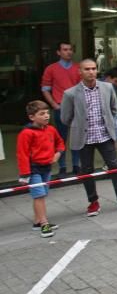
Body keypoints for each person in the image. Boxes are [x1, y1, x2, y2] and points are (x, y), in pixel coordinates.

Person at [61, 59, 117, 216]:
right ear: (80, 72)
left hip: (104, 135)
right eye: (87, 69)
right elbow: (65, 118)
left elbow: (113, 109)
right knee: (86, 170)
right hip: (84, 137)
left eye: (94, 68)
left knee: (114, 167)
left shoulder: (107, 88)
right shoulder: (71, 93)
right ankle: (93, 202)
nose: (91, 72)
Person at [16, 100, 63, 237]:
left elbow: (60, 142)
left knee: (42, 195)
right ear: (32, 117)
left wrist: (58, 154)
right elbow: (22, 154)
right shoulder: (26, 133)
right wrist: (25, 174)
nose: (46, 116)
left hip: (46, 167)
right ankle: (44, 223)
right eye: (42, 114)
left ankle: (37, 221)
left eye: (47, 113)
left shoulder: (51, 130)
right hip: (33, 169)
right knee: (39, 195)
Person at [40, 41, 81, 175]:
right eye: (65, 49)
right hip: (60, 106)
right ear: (58, 52)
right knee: (60, 139)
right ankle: (62, 166)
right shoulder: (51, 69)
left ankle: (76, 165)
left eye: (70, 49)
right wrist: (54, 105)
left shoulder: (78, 68)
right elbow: (45, 88)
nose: (68, 52)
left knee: (77, 137)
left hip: (76, 108)